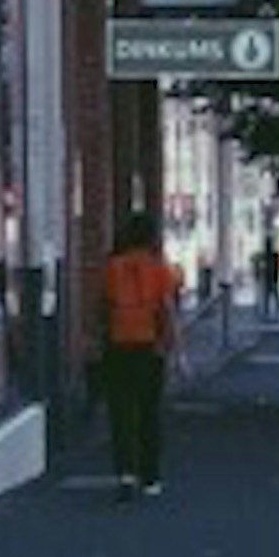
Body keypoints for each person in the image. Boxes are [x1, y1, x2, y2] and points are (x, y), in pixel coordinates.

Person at [99, 209, 181, 498]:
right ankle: (151, 475)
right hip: (149, 345)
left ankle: (125, 472)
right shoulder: (159, 269)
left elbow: (105, 307)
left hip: (118, 345)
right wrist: (173, 348)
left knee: (121, 411)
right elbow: (167, 309)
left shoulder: (112, 267)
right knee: (149, 411)